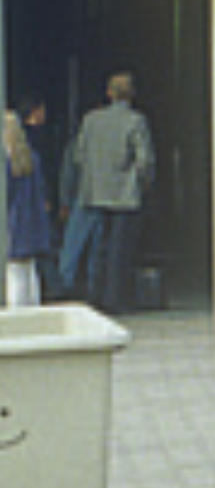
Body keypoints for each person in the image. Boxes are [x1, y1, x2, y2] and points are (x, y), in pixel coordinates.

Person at [66, 71, 152, 316]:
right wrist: (142, 183)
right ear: (132, 94)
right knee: (120, 249)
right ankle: (116, 298)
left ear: (109, 93)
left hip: (94, 192)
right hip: (125, 195)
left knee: (98, 248)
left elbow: (78, 155)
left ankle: (95, 294)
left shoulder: (90, 120)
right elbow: (144, 159)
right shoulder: (136, 121)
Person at [4, 100, 51, 309]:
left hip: (12, 225)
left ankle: (18, 315)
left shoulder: (5, 164)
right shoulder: (31, 158)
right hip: (31, 222)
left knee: (14, 274)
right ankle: (34, 310)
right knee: (29, 271)